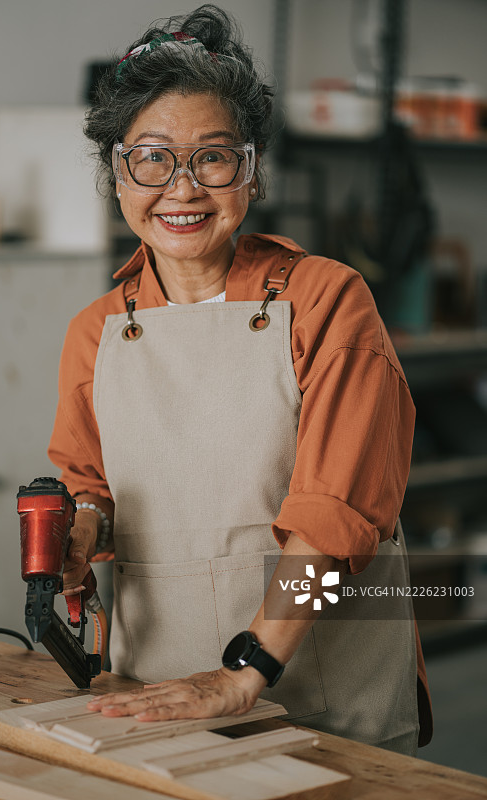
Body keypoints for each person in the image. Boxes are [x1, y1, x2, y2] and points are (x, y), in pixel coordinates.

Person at [48, 4, 432, 756]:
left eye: (213, 157)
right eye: (151, 158)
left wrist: (249, 666)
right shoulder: (94, 332)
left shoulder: (325, 301)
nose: (182, 188)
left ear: (251, 171)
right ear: (116, 174)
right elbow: (85, 482)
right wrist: (80, 526)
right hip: (157, 694)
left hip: (319, 687)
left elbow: (333, 525)